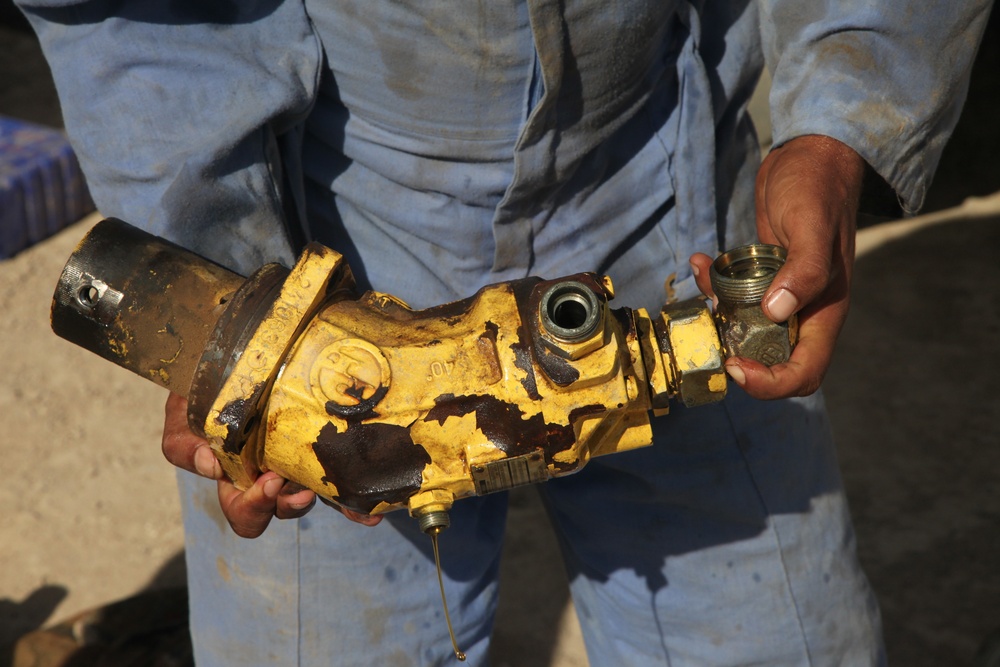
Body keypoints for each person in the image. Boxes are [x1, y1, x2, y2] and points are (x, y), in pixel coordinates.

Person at [17, 0, 991, 664]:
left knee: (774, 637)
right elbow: (140, 28)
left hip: (666, 176)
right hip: (342, 219)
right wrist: (227, 308)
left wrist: (835, 131)